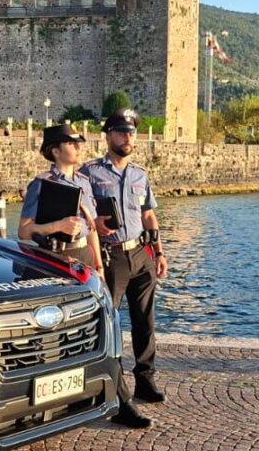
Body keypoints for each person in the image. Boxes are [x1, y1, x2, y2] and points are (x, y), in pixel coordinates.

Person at [80, 109, 167, 429]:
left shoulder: (140, 175)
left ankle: (145, 380)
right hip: (110, 256)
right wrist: (95, 222)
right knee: (110, 326)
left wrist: (159, 252)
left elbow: (148, 215)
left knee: (145, 322)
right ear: (108, 136)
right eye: (121, 132)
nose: (127, 137)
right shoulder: (89, 173)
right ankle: (117, 396)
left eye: (131, 133)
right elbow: (79, 212)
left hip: (141, 254)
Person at [18, 122, 103, 273]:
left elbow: (91, 228)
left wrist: (99, 265)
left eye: (78, 143)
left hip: (85, 254)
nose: (78, 147)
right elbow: (23, 231)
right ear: (56, 152)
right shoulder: (42, 184)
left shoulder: (84, 182)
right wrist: (58, 226)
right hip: (56, 256)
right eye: (71, 143)